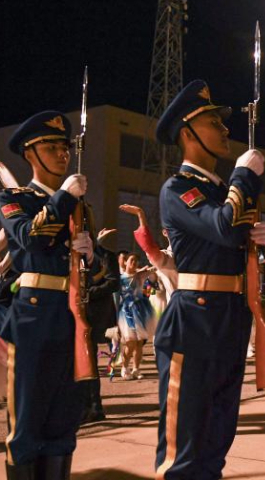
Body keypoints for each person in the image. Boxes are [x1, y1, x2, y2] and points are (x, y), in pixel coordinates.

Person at [152, 79, 265, 479]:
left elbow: (232, 234)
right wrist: (244, 177)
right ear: (187, 134)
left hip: (229, 320)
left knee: (216, 446)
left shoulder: (221, 192)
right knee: (183, 453)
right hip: (194, 324)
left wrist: (257, 241)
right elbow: (222, 227)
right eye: (213, 123)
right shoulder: (178, 188)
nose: (224, 131)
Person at [2, 110, 96, 478]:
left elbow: (102, 271)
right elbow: (30, 238)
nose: (62, 153)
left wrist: (91, 254)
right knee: (27, 425)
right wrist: (62, 198)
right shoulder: (14, 198)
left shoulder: (79, 206)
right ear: (30, 154)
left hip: (71, 316)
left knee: (63, 424)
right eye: (51, 146)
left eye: (65, 146)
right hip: (34, 318)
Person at [83, 227, 121, 423]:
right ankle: (84, 405)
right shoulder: (74, 256)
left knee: (89, 362)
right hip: (77, 313)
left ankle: (95, 407)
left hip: (96, 314)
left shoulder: (106, 256)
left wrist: (89, 293)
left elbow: (113, 283)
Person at [117, 252, 156, 381]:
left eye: (136, 261)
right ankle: (125, 367)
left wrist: (151, 270)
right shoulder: (120, 278)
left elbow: (154, 276)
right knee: (130, 342)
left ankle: (136, 369)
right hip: (127, 312)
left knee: (139, 342)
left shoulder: (140, 275)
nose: (134, 263)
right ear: (126, 262)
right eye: (131, 260)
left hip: (141, 310)